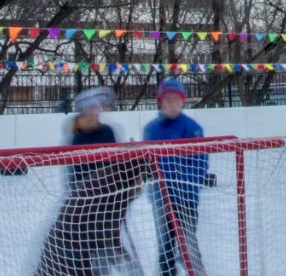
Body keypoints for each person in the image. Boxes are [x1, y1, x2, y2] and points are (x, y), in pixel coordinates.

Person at [38, 87, 150, 276]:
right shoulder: (76, 138)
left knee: (103, 253)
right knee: (91, 255)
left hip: (105, 202)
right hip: (86, 207)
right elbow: (73, 174)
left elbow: (118, 165)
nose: (92, 113)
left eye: (95, 109)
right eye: (88, 110)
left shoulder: (108, 132)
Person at [143, 78, 207, 276]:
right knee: (165, 245)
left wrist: (181, 184)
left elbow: (199, 163)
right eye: (168, 100)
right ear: (160, 102)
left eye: (176, 100)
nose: (172, 104)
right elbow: (147, 163)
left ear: (183, 101)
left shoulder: (192, 127)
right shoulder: (152, 129)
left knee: (187, 243)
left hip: (186, 199)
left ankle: (196, 271)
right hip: (161, 199)